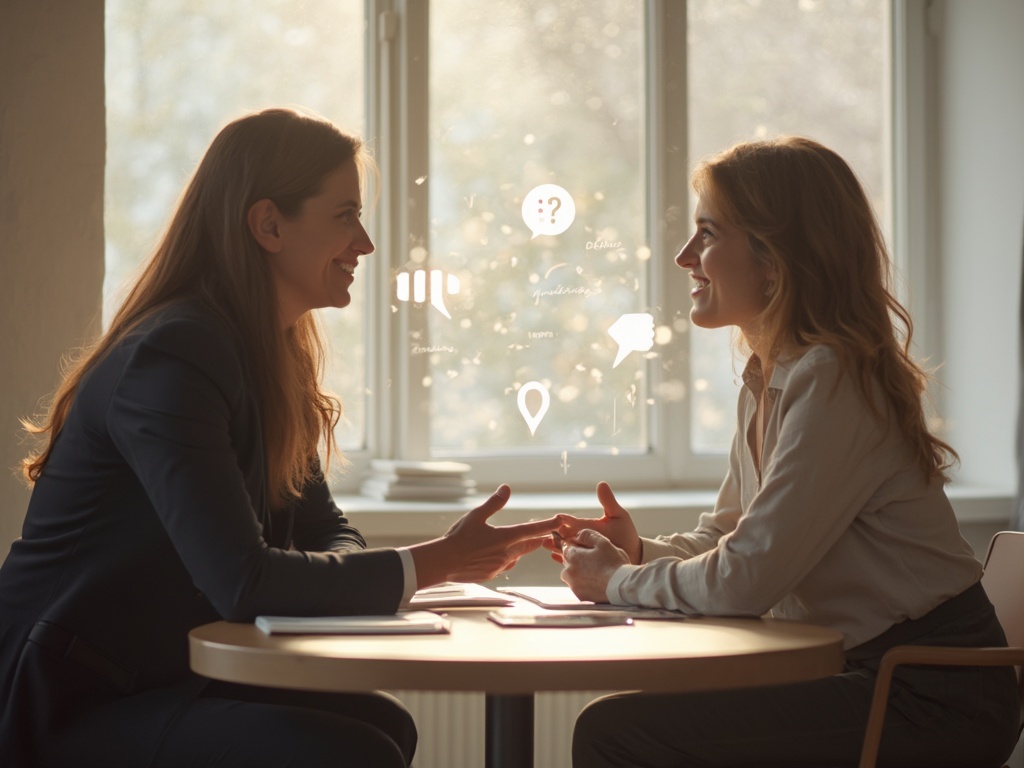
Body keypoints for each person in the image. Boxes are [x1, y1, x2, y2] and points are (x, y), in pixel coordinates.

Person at [0, 107, 557, 768]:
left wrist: (374, 568)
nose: (365, 244)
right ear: (268, 224)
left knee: (382, 725)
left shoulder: (265, 355)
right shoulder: (174, 356)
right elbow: (243, 580)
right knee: (351, 750)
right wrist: (437, 562)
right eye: (345, 215)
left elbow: (328, 530)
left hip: (160, 677)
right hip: (66, 703)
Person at [550, 137, 1021, 767]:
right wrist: (637, 553)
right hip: (873, 674)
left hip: (927, 695)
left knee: (616, 732)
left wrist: (619, 581)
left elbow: (745, 577)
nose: (685, 256)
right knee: (625, 723)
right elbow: (729, 536)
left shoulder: (833, 379)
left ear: (775, 260)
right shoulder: (772, 375)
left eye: (708, 234)